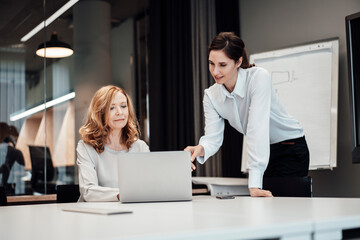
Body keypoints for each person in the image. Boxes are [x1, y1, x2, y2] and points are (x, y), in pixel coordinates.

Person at [185, 32, 309, 197]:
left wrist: (254, 184)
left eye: (223, 64)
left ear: (238, 62)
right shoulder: (211, 95)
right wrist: (200, 148)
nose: (215, 71)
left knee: (285, 208)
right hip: (263, 150)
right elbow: (213, 137)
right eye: (211, 63)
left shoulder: (258, 78)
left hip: (289, 148)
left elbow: (256, 128)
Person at [77, 85, 149, 202]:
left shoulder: (140, 147)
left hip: (131, 213)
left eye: (123, 106)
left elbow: (150, 186)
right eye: (112, 108)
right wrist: (122, 194)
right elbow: (88, 192)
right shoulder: (86, 146)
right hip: (95, 216)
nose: (120, 112)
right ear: (100, 113)